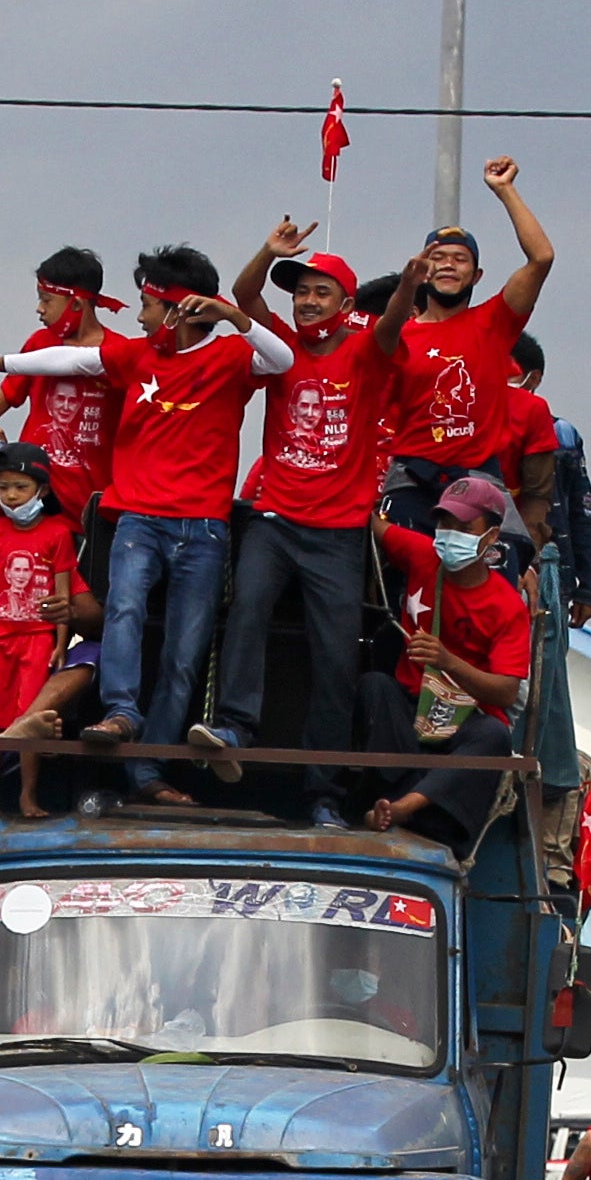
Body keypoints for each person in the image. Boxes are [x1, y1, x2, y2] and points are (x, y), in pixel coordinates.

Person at [0, 246, 294, 812]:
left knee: (185, 650)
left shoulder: (231, 357)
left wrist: (232, 316)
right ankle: (122, 714)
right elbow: (67, 361)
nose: (138, 316)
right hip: (136, 520)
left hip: (203, 528)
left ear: (181, 310)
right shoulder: (135, 358)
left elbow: (280, 361)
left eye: (149, 305)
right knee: (125, 613)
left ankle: (149, 766)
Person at [216, 225, 412, 828]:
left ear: (346, 305)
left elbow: (392, 325)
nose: (306, 302)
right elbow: (244, 298)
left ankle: (322, 791)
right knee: (246, 608)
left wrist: (409, 282)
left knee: (334, 660)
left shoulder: (364, 352)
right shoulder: (280, 346)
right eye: (300, 292)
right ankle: (231, 728)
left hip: (337, 532)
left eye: (320, 292)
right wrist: (268, 253)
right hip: (274, 518)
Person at [385, 157, 557, 536]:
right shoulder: (400, 334)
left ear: (476, 274)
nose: (448, 266)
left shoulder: (493, 323)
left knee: (497, 575)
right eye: (438, 258)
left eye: (460, 259)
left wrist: (505, 190)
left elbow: (541, 258)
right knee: (405, 589)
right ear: (422, 268)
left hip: (477, 477)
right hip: (410, 477)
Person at [359, 476, 532, 849]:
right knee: (375, 686)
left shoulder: (507, 607)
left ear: (491, 536)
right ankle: (396, 800)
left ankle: (403, 806)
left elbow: (505, 691)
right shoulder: (422, 554)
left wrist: (447, 661)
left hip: (464, 723)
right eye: (444, 523)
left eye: (464, 527)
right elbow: (376, 525)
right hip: (412, 712)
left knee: (494, 736)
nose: (449, 534)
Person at [0, 444, 97, 816]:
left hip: (37, 639)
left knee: (29, 720)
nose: (11, 496)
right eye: (3, 488)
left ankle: (27, 795)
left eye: (20, 487)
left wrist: (60, 643)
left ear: (42, 490)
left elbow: (63, 592)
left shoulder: (57, 533)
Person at [0, 245, 124, 539]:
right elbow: (11, 388)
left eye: (46, 300)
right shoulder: (41, 343)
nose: (40, 309)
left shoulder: (118, 354)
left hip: (91, 504)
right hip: (34, 499)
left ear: (77, 304)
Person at [511, 334, 591, 627]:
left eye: (508, 372)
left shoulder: (563, 436)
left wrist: (588, 586)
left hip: (553, 577)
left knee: (544, 666)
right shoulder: (471, 424)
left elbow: (581, 513)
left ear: (533, 378)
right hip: (489, 569)